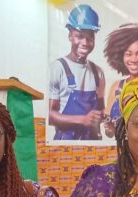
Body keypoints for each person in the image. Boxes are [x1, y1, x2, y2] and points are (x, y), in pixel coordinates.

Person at [49, 3, 106, 141]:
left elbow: (100, 111)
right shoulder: (58, 68)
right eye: (79, 36)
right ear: (70, 36)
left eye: (90, 37)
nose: (85, 42)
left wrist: (106, 120)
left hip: (92, 144)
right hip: (65, 144)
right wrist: (82, 119)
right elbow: (50, 116)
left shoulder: (98, 73)